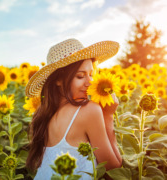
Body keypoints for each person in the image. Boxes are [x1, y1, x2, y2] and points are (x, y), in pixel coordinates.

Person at [25, 38, 122, 179]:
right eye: (80, 76)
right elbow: (113, 168)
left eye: (91, 75)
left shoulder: (44, 113)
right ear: (58, 80)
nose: (90, 82)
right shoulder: (89, 111)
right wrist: (108, 116)